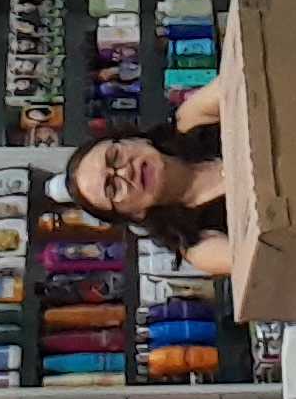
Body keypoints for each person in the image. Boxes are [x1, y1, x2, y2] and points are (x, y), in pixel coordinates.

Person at [52, 57, 239, 276]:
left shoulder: (194, 117)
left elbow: (248, 76)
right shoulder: (200, 246)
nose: (125, 171)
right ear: (134, 214)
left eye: (115, 156)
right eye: (113, 188)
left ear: (134, 139)